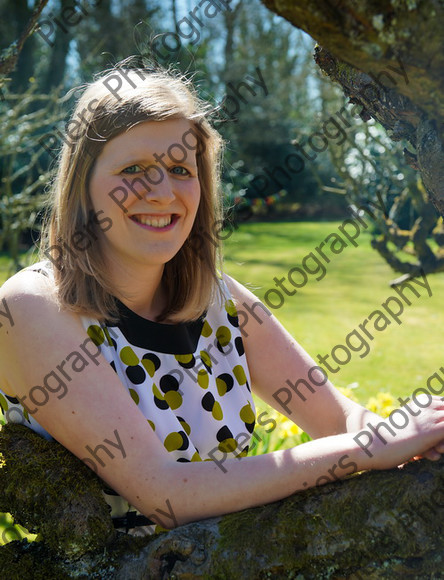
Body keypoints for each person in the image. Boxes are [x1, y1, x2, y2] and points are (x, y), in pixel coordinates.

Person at [1, 62, 444, 536]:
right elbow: (165, 493)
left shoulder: (218, 300)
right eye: (133, 169)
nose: (162, 191)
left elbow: (339, 418)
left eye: (179, 169)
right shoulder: (33, 306)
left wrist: (422, 435)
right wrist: (369, 447)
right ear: (83, 186)